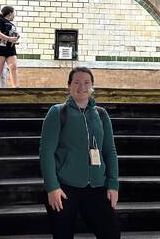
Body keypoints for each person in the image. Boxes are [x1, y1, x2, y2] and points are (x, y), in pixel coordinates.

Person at [39, 67, 120, 239]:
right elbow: (46, 151)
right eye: (76, 82)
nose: (82, 87)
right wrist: (52, 187)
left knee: (111, 234)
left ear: (92, 86)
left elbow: (110, 150)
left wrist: (113, 184)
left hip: (97, 187)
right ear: (69, 86)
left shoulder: (101, 114)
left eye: (86, 83)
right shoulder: (57, 112)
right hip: (65, 188)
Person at [0, 6, 19, 88]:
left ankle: (15, 86)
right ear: (10, 13)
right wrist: (9, 38)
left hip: (10, 48)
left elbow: (10, 33)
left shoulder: (12, 24)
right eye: (14, 13)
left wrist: (15, 37)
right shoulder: (0, 21)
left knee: (13, 66)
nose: (14, 15)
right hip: (0, 47)